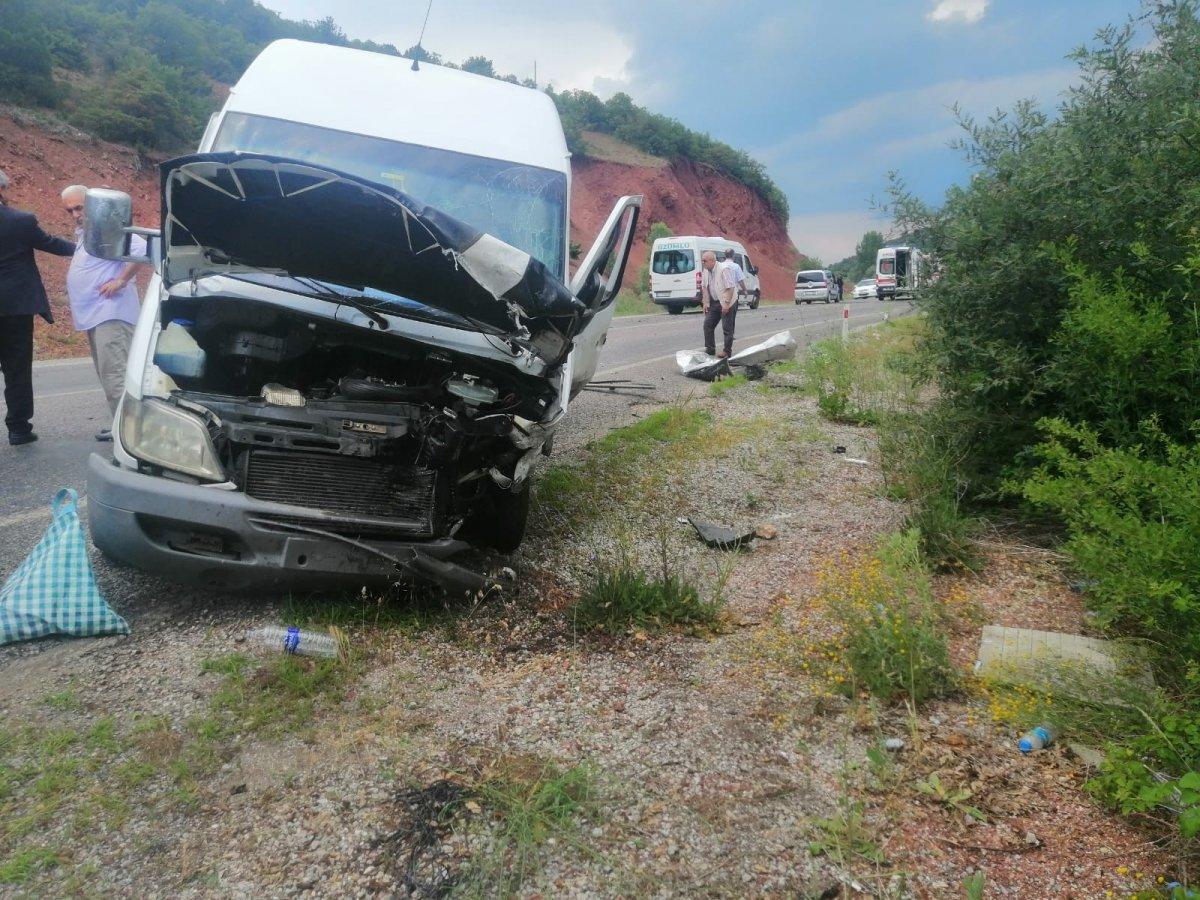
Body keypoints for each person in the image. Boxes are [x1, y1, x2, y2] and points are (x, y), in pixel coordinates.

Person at [61, 184, 147, 441]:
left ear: (93, 205)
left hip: (111, 313)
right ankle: (122, 427)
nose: (76, 214)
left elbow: (142, 250)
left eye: (80, 207)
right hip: (96, 316)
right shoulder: (88, 232)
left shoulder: (109, 227)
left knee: (116, 376)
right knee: (107, 375)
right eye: (70, 210)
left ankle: (131, 438)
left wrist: (121, 280)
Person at [0, 168, 76, 446]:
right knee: (17, 369)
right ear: (3, 189)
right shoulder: (20, 221)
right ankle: (18, 428)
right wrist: (82, 248)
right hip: (17, 306)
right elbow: (51, 244)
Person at [700, 250, 737, 358]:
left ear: (712, 260)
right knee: (708, 325)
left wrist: (726, 304)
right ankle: (710, 349)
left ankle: (727, 352)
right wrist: (705, 303)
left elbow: (730, 288)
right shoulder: (706, 270)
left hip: (728, 301)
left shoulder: (723, 269)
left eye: (704, 261)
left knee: (727, 328)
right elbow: (704, 287)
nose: (703, 263)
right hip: (715, 302)